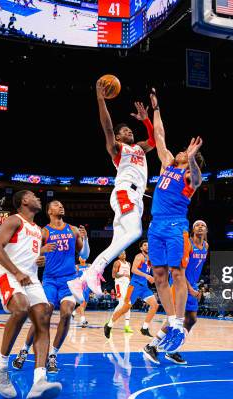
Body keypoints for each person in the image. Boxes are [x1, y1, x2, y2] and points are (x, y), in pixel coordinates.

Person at [77, 81, 156, 297]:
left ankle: (81, 283)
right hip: (124, 192)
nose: (129, 132)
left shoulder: (139, 147)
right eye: (126, 131)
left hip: (137, 197)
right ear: (119, 137)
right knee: (136, 232)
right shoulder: (118, 148)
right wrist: (101, 99)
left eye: (131, 130)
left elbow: (154, 140)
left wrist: (146, 120)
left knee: (119, 240)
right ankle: (95, 268)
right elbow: (108, 128)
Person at [142, 87, 204, 357]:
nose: (180, 151)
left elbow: (199, 180)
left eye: (185, 153)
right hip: (156, 225)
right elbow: (159, 135)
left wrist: (191, 159)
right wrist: (155, 109)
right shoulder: (167, 163)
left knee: (176, 273)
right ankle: (172, 321)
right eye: (182, 152)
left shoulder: (190, 176)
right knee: (159, 277)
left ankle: (177, 321)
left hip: (176, 225)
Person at [0, 190, 61, 399]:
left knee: (43, 316)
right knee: (20, 308)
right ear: (24, 201)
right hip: (9, 275)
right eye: (33, 196)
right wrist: (17, 272)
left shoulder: (38, 230)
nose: (38, 198)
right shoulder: (14, 220)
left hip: (30, 278)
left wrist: (39, 259)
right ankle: (0, 367)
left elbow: (26, 253)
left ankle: (40, 380)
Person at [12, 200, 89, 374]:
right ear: (49, 211)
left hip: (69, 280)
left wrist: (85, 239)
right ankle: (24, 350)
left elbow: (84, 254)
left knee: (67, 312)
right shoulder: (43, 232)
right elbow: (31, 255)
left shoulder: (73, 230)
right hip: (50, 280)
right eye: (56, 205)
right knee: (43, 316)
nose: (61, 206)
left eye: (62, 204)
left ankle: (53, 355)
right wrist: (40, 255)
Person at [144, 221, 208, 364]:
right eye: (197, 225)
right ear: (193, 229)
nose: (200, 227)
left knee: (191, 319)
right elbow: (179, 270)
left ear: (206, 230)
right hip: (180, 284)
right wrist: (190, 288)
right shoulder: (188, 244)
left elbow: (196, 269)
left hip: (191, 285)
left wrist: (195, 287)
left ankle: (172, 350)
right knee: (174, 319)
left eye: (203, 225)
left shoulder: (206, 247)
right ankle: (151, 346)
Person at [104, 240, 158, 338]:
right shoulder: (139, 256)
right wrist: (147, 276)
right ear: (141, 248)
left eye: (148, 245)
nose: (147, 247)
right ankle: (109, 325)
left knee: (155, 305)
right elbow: (133, 269)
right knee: (124, 309)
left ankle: (144, 328)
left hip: (144, 287)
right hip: (134, 286)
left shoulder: (150, 259)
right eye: (145, 245)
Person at [109, 251, 133, 333]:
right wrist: (123, 275)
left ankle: (126, 326)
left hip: (127, 285)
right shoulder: (117, 263)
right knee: (123, 303)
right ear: (118, 255)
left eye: (124, 253)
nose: (123, 255)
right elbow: (113, 275)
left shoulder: (128, 264)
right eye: (121, 253)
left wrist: (129, 279)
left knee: (127, 304)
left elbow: (129, 275)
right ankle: (111, 322)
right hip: (119, 284)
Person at [73, 257, 91, 327]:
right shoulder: (77, 266)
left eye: (84, 257)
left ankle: (73, 313)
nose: (83, 258)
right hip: (80, 285)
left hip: (88, 286)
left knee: (84, 305)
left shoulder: (89, 266)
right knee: (82, 303)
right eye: (81, 257)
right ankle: (83, 321)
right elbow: (74, 276)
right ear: (79, 258)